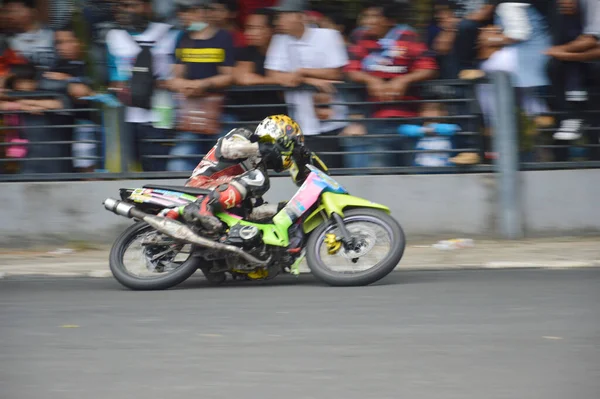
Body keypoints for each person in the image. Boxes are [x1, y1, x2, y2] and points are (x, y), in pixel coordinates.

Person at [179, 114, 328, 233]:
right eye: (289, 145)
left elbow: (253, 212)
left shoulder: (259, 171)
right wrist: (264, 146)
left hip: (221, 197)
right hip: (201, 186)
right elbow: (228, 148)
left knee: (253, 205)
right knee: (258, 178)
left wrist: (286, 208)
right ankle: (203, 206)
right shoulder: (244, 135)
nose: (289, 153)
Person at [265, 0, 349, 169]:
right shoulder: (280, 40)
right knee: (305, 175)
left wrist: (301, 72)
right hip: (299, 124)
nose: (278, 20)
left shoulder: (328, 36)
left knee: (331, 173)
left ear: (301, 16)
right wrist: (307, 79)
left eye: (284, 15)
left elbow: (336, 73)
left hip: (330, 120)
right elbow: (273, 74)